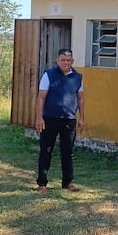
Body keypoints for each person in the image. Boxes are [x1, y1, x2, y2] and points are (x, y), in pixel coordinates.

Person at [35, 48, 85, 194]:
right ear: (57, 60)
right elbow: (41, 98)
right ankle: (42, 184)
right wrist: (39, 118)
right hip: (49, 118)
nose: (66, 63)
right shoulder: (48, 75)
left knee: (68, 152)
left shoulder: (78, 77)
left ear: (72, 61)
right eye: (63, 60)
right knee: (46, 150)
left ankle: (67, 182)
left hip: (69, 120)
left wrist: (82, 118)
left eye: (69, 60)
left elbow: (80, 98)